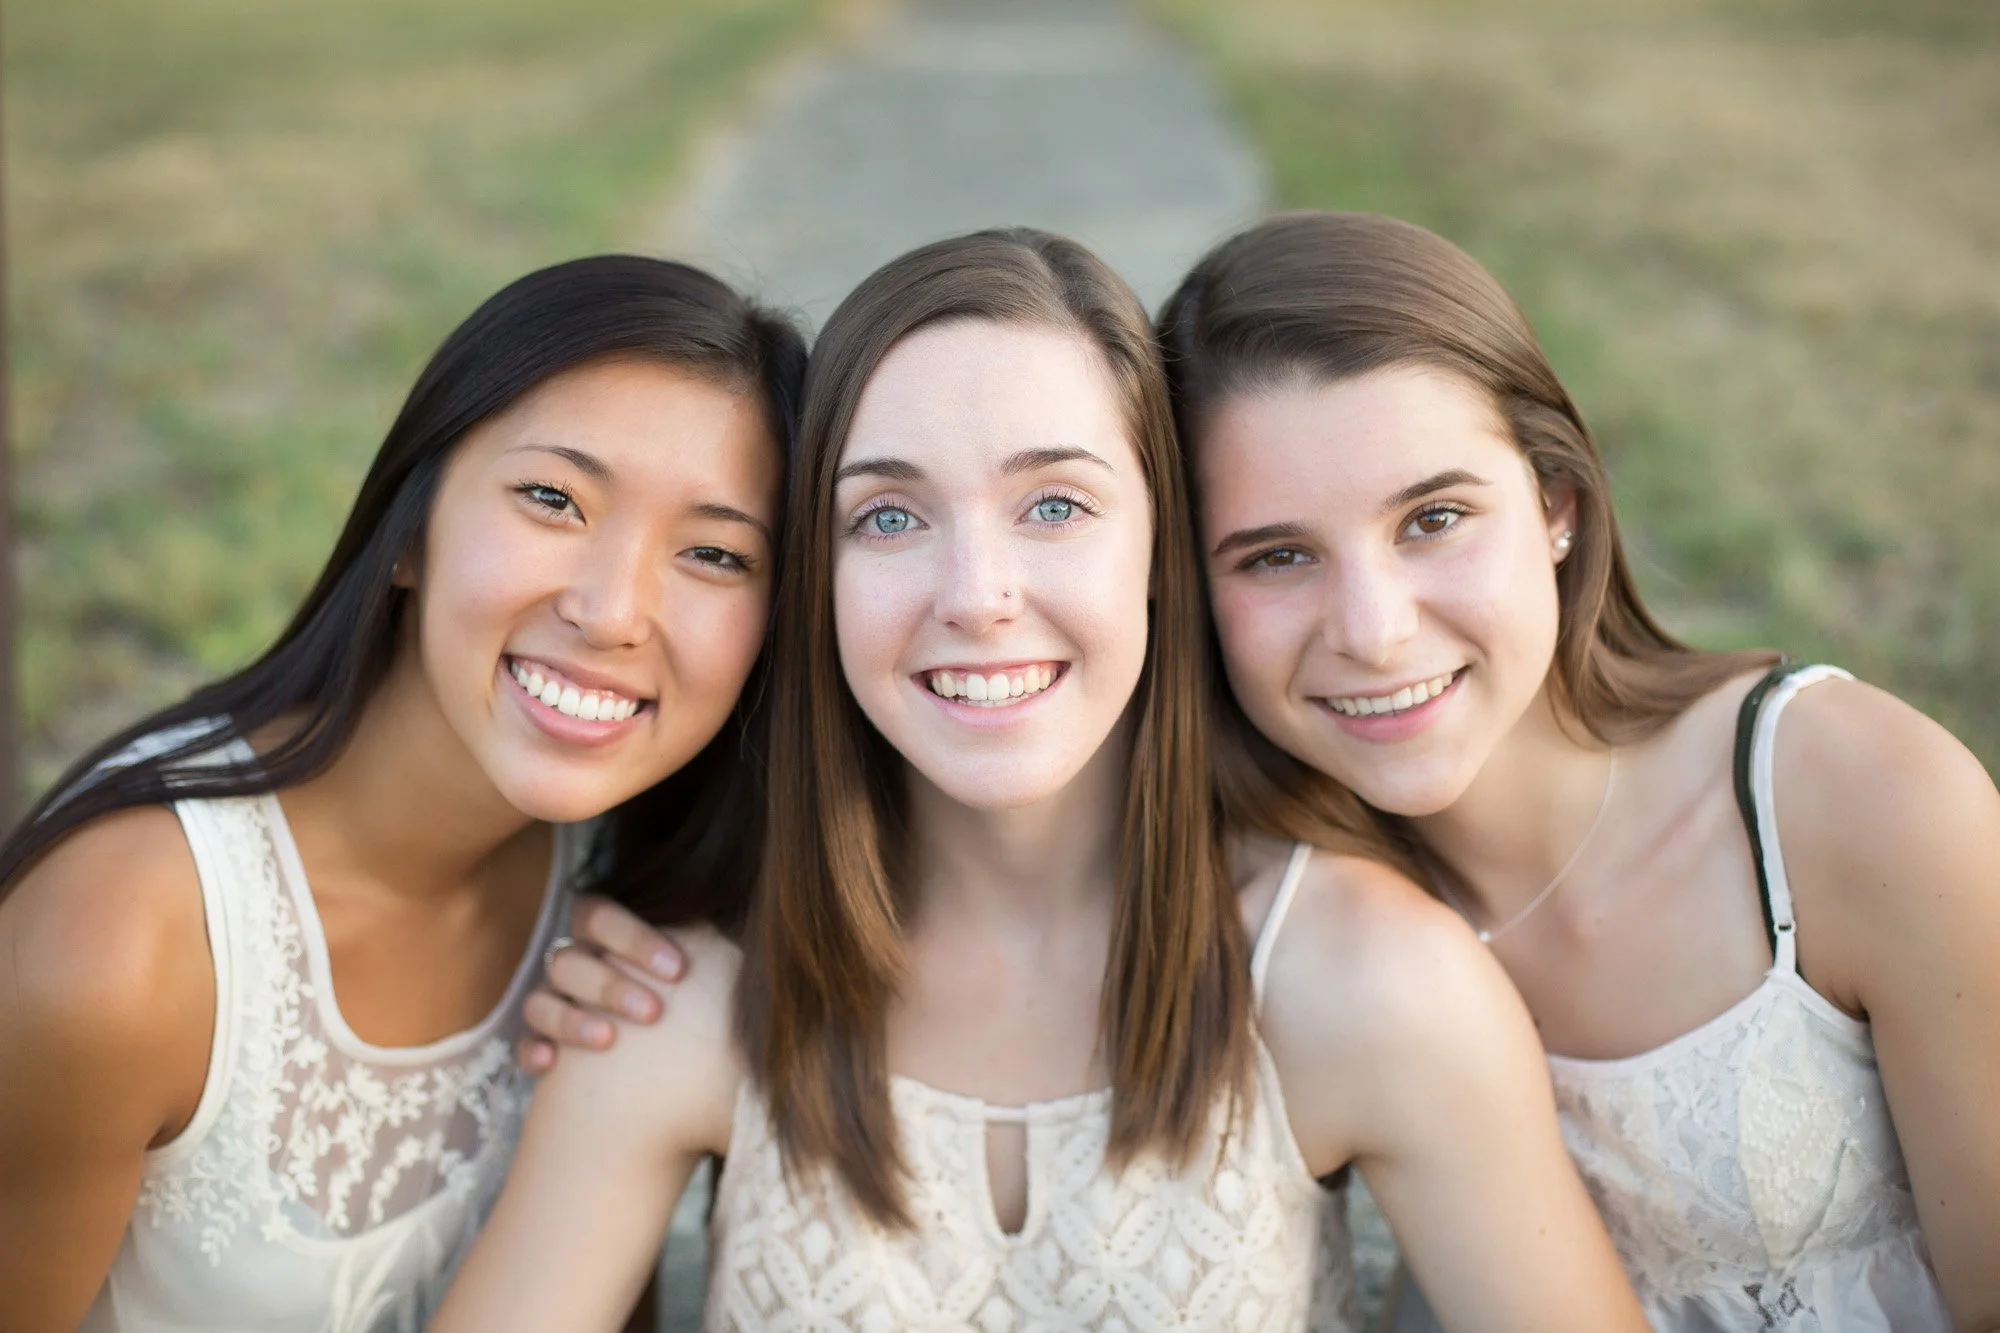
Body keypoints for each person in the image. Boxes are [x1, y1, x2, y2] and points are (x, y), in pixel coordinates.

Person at [439, 227, 1646, 1333]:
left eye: (1054, 504)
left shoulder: (1363, 984)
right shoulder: (683, 998)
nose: (975, 594)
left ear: (1162, 551)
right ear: (818, 577)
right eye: (888, 518)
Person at [1152, 210, 2000, 1330]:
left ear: (1554, 504)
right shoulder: (1285, 921)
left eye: (1433, 518)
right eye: (1275, 556)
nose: (1372, 629)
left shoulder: (1850, 800)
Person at [0, 254, 804, 1332]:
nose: (613, 610)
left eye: (713, 552)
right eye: (552, 498)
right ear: (409, 528)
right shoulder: (118, 942)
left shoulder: (640, 889)